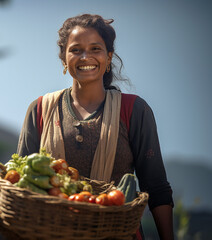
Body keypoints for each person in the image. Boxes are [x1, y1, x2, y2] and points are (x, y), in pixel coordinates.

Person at [17, 14, 174, 240]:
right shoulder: (41, 109)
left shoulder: (133, 110)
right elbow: (21, 182)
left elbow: (156, 187)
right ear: (64, 59)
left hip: (118, 234)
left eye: (95, 49)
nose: (85, 57)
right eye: (75, 50)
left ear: (109, 57)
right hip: (52, 234)